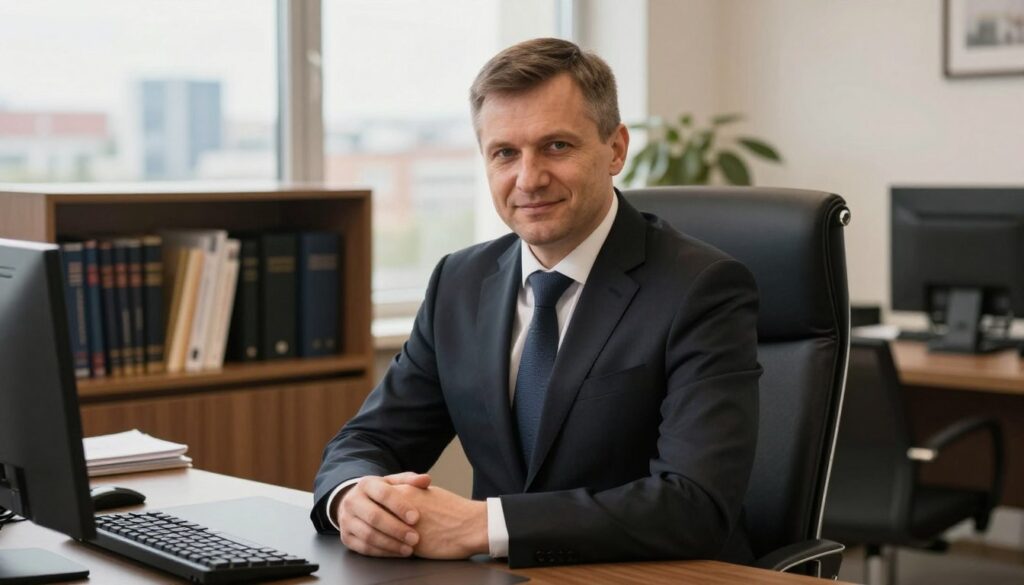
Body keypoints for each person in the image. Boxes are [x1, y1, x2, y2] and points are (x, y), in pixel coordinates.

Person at [310, 37, 761, 569]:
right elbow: (370, 438)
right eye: (505, 153)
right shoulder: (460, 281)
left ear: (615, 149)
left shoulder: (701, 288)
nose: (528, 179)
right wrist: (354, 497)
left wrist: (483, 525)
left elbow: (693, 505)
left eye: (556, 147)